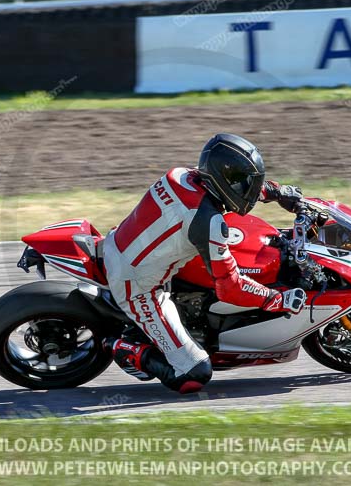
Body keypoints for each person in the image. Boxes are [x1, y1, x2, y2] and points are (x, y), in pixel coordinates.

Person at [102, 133, 307, 393]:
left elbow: (225, 190)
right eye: (242, 184)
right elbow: (230, 288)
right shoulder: (207, 222)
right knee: (194, 374)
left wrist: (277, 192)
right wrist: (277, 299)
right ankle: (120, 346)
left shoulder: (181, 175)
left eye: (250, 183)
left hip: (123, 243)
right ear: (221, 178)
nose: (249, 191)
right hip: (137, 284)